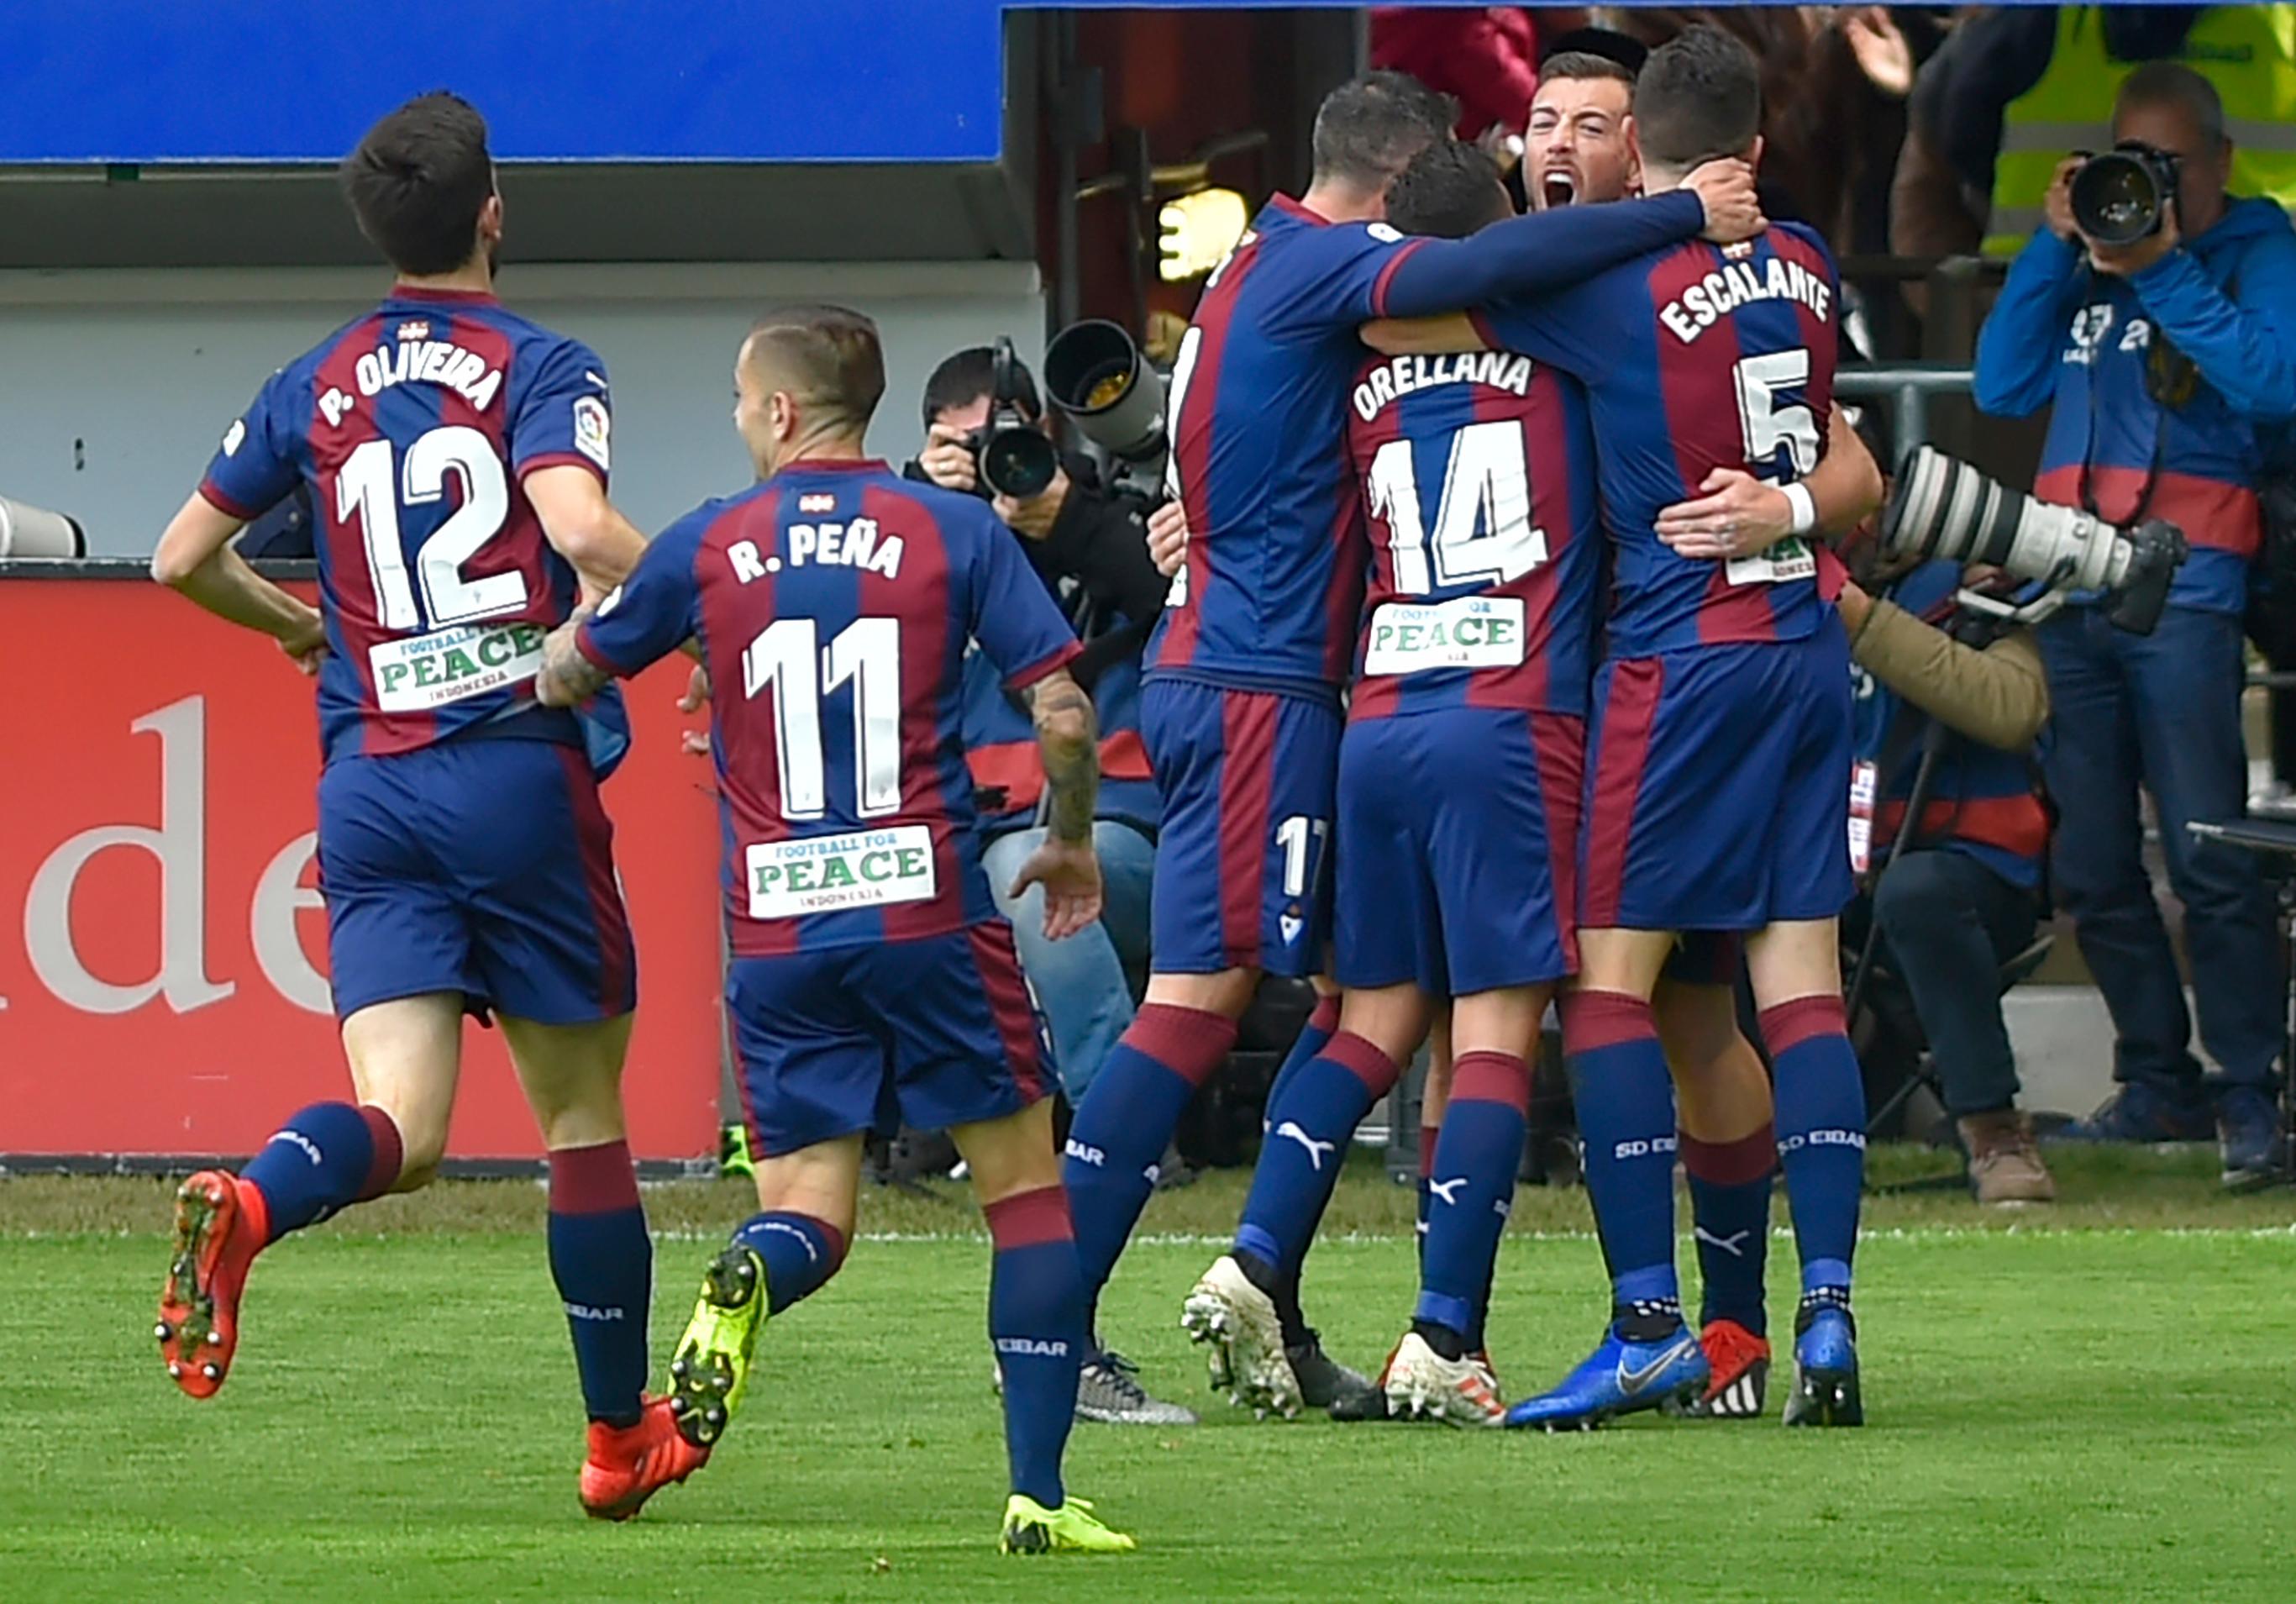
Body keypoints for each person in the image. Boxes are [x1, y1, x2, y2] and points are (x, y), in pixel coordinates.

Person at [1085, 68, 1758, 1423]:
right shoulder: (1566, 351)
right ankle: (1444, 1327)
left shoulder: (1350, 367)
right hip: (1498, 718)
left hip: (1373, 718)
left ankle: (1263, 1259)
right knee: (1496, 1014)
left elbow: (1272, 485)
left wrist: (1188, 534)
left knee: (1374, 1011)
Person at [144, 92, 696, 1520]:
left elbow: (176, 558)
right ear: (494, 211)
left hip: (370, 791)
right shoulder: (538, 363)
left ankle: (257, 1202)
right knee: (579, 1118)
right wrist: (701, 592)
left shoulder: (314, 379)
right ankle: (612, 1434)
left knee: (405, 1115)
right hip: (513, 767)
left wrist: (293, 624)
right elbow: (576, 528)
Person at [535, 304, 1133, 1556]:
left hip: (778, 928)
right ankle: (1034, 1488)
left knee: (812, 1203)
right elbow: (1066, 711)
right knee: (1026, 1194)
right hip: (927, 907)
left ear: (777, 410)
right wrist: (1067, 839)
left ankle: (755, 1266)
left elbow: (575, 672)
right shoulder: (954, 525)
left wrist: (577, 648)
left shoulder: (708, 539)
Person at [1368, 26, 1880, 1429]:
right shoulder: (1812, 265)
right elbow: (1850, 454)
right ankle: (1817, 1309)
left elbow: (1410, 301)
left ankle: (1648, 1318)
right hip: (1796, 649)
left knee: (1600, 987)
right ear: (1753, 147)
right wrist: (1786, 507)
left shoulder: (1603, 284)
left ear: (1635, 145)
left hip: (1674, 662)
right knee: (1797, 987)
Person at [1973, 63, 2296, 1186]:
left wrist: (2160, 268)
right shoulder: (2084, 257)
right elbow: (2002, 383)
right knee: (2095, 860)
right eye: (2126, 159)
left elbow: (2274, 382)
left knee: (2208, 850)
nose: (2139, 183)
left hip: (2191, 586)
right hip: (2072, 583)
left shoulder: (2258, 248)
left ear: (2212, 164)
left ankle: (2252, 1096)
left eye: (2160, 165)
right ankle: (2157, 1080)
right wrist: (2057, 246)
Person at [917, 345, 1184, 1428]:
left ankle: (1114, 1135)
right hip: (985, 839)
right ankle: (1121, 1133)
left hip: (1123, 834)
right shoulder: (904, 531)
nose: (993, 464)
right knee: (1031, 897)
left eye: (1007, 440)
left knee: (1051, 896)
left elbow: (1158, 588)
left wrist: (1059, 517)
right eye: (964, 445)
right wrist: (932, 510)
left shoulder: (1097, 509)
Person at [1840, 550, 2057, 1205]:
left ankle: (1994, 1131)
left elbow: (2014, 708)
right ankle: (1737, 1128)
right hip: (1834, 870)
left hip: (1969, 873)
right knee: (1725, 889)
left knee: (1917, 891)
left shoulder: (1969, 588)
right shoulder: (1763, 599)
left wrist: (1860, 619)